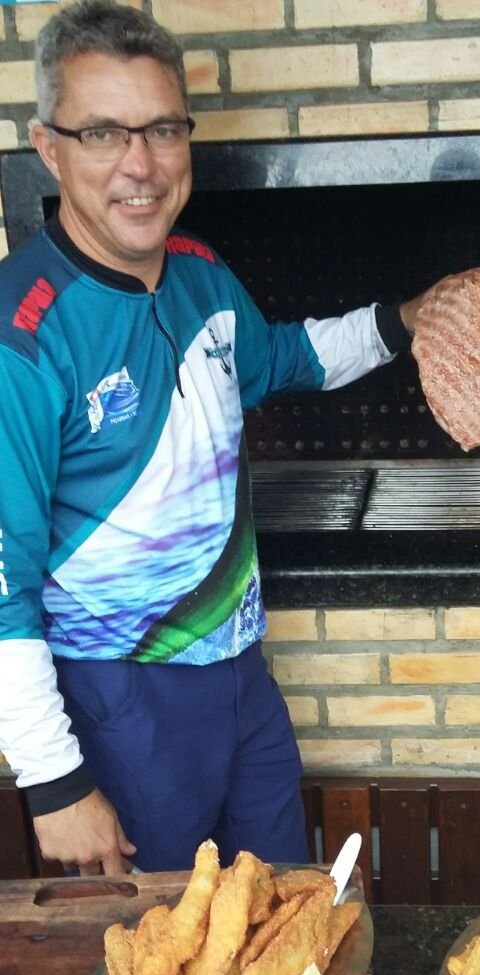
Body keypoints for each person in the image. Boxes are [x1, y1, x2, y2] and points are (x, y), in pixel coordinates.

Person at [0, 1, 427, 877]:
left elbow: (287, 359)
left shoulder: (200, 272)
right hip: (121, 701)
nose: (141, 165)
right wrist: (53, 781)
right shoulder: (22, 335)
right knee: (167, 944)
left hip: (241, 669)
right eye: (103, 133)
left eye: (163, 129)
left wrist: (405, 321)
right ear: (49, 147)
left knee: (283, 903)